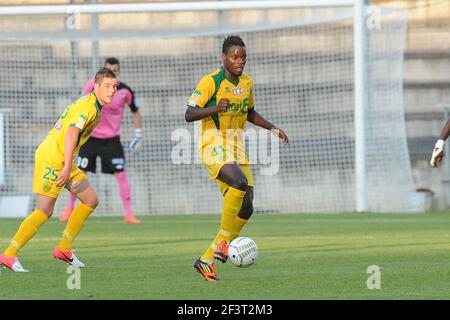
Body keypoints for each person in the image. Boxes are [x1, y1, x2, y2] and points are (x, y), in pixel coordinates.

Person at [184, 35, 289, 281]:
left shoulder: (247, 83)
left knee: (247, 206)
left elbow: (249, 112)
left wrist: (273, 128)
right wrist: (215, 109)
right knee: (239, 183)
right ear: (223, 57)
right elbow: (189, 114)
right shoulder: (211, 81)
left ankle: (206, 259)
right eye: (234, 57)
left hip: (237, 147)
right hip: (213, 143)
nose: (239, 61)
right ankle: (223, 244)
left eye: (243, 57)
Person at [0, 68, 117, 272]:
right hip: (53, 159)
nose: (112, 90)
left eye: (114, 86)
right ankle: (8, 255)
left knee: (90, 200)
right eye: (107, 86)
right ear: (96, 87)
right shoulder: (87, 107)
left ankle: (64, 249)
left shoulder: (95, 107)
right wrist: (65, 165)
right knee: (44, 210)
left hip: (65, 160)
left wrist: (68, 163)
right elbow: (71, 134)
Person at [59, 57, 143, 224]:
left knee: (121, 174)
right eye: (108, 69)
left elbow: (135, 111)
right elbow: (82, 105)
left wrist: (138, 134)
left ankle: (128, 214)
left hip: (112, 140)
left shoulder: (125, 91)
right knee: (79, 173)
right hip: (91, 137)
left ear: (118, 72)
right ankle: (69, 208)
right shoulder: (92, 85)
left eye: (114, 70)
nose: (112, 72)